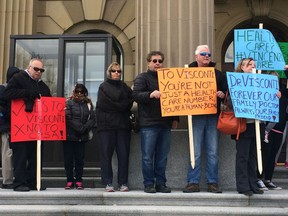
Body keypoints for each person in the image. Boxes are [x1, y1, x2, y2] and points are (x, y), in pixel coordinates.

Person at [132, 51, 179, 193]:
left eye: (160, 61)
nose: (157, 63)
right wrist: (150, 94)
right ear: (148, 62)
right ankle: (148, 184)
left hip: (165, 124)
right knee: (147, 157)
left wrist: (175, 118)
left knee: (162, 157)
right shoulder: (142, 77)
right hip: (149, 124)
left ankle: (161, 183)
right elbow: (135, 95)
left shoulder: (168, 77)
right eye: (154, 61)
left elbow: (176, 98)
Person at [183, 45, 227, 193]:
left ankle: (212, 182)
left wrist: (222, 94)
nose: (206, 56)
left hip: (213, 116)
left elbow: (226, 92)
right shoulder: (187, 73)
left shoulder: (218, 74)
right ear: (196, 56)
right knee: (195, 151)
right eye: (203, 54)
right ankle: (193, 182)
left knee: (213, 152)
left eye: (208, 54)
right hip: (196, 116)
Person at [4, 58, 51, 191]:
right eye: (36, 69)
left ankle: (34, 182)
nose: (39, 72)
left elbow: (48, 101)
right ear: (29, 67)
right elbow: (8, 93)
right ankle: (19, 182)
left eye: (41, 70)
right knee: (21, 155)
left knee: (35, 155)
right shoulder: (19, 78)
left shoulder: (42, 85)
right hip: (21, 126)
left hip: (37, 128)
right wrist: (27, 93)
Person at [229, 57, 266, 196]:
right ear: (242, 68)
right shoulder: (237, 83)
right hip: (244, 125)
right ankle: (243, 185)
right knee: (243, 156)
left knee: (253, 156)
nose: (252, 67)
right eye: (249, 65)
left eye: (254, 65)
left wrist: (276, 95)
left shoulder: (261, 82)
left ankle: (253, 184)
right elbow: (232, 103)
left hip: (258, 124)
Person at [96, 62, 133, 192]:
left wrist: (117, 106)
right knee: (106, 155)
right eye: (114, 71)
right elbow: (103, 104)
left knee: (123, 155)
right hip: (106, 127)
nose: (117, 73)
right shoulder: (103, 86)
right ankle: (108, 182)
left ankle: (123, 182)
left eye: (119, 71)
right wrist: (120, 106)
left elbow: (129, 103)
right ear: (109, 73)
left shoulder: (125, 87)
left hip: (122, 126)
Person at [256, 71, 287, 191]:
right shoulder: (262, 93)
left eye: (276, 79)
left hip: (279, 129)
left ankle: (268, 179)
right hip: (267, 129)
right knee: (265, 154)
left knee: (273, 155)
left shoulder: (283, 93)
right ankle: (259, 178)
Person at [64, 83, 95, 190]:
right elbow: (67, 117)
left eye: (82, 92)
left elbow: (92, 118)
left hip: (82, 137)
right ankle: (69, 180)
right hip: (69, 136)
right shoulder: (68, 102)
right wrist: (79, 127)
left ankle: (78, 180)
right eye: (77, 91)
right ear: (74, 92)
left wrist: (84, 128)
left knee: (79, 160)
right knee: (68, 159)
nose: (79, 94)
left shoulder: (89, 104)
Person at [0, 66, 20, 189]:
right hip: (7, 126)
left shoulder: (8, 88)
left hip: (10, 125)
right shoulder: (4, 89)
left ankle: (8, 179)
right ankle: (7, 180)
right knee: (7, 153)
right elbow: (4, 108)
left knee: (8, 152)